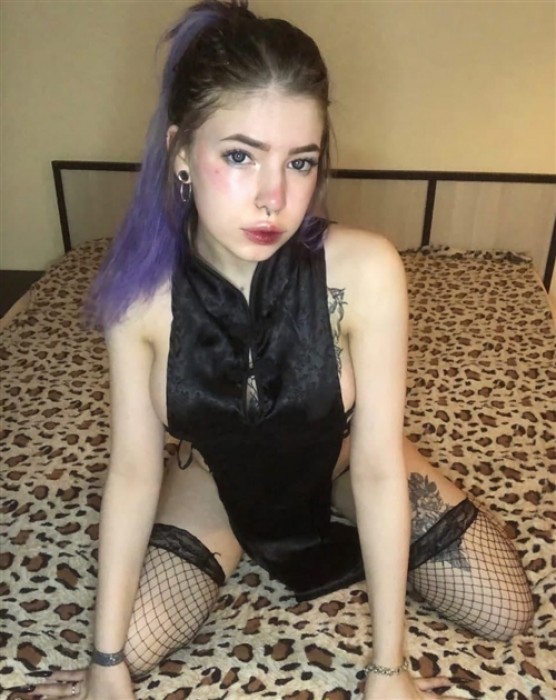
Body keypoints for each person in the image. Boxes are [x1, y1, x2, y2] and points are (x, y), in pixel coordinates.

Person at [32, 2, 533, 699]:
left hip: (344, 462)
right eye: (240, 156)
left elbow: (379, 469)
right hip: (220, 479)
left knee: (506, 610)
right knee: (132, 651)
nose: (275, 197)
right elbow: (132, 473)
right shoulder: (140, 299)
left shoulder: (367, 271)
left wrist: (387, 670)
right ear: (182, 153)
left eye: (300, 162)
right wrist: (105, 659)